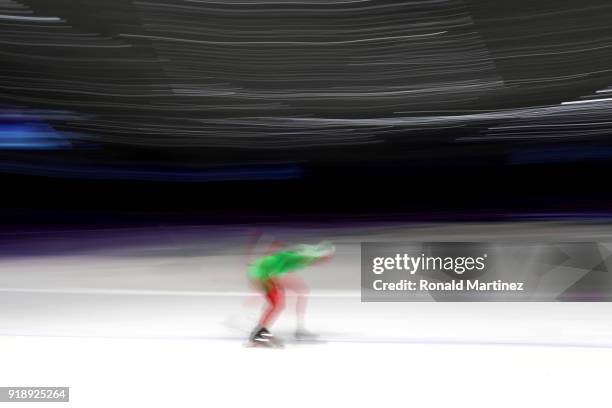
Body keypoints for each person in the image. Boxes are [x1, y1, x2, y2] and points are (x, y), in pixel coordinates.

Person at [247, 240, 334, 347]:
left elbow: (283, 263)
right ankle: (258, 334)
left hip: (260, 271)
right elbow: (281, 260)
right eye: (327, 258)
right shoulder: (305, 257)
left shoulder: (305, 258)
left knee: (276, 304)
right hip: (262, 273)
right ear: (322, 255)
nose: (327, 261)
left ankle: (259, 331)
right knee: (276, 305)